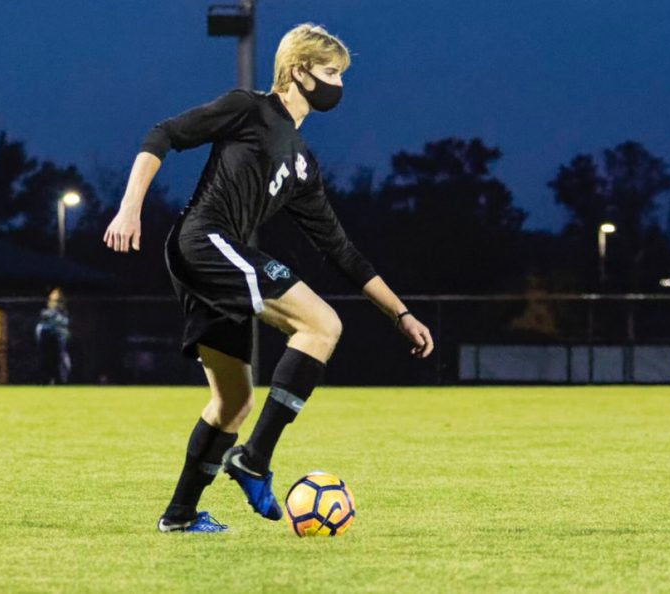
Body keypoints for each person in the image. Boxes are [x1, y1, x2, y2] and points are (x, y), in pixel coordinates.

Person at [103, 24, 434, 533]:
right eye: (330, 73)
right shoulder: (251, 108)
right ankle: (253, 460)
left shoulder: (302, 163)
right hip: (204, 242)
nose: (338, 85)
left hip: (213, 258)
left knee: (233, 402)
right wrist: (130, 209)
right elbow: (162, 134)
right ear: (299, 71)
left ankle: (180, 515)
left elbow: (341, 250)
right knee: (322, 324)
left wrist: (401, 314)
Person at [35, 287, 71, 385]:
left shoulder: (63, 316)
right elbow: (40, 330)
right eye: (54, 300)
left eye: (59, 301)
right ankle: (46, 381)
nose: (56, 303)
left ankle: (60, 382)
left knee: (63, 366)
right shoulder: (45, 315)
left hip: (60, 347)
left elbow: (65, 327)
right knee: (46, 365)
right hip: (47, 346)